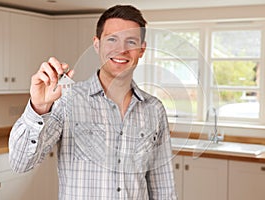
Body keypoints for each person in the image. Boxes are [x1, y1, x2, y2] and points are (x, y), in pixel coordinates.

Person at [9, 4, 177, 200]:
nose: (121, 50)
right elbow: (20, 163)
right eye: (112, 39)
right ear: (97, 44)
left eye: (131, 41)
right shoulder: (67, 100)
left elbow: (163, 187)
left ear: (142, 49)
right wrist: (38, 107)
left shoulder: (154, 109)